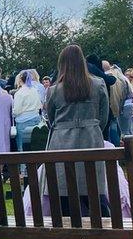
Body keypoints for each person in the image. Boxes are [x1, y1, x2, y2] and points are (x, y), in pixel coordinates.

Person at [44, 45, 109, 216]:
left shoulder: (53, 90)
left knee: (65, 188)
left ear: (62, 64)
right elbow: (104, 116)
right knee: (93, 186)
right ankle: (103, 226)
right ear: (83, 62)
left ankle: (72, 232)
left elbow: (51, 120)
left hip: (62, 142)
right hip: (91, 140)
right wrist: (92, 128)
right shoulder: (98, 84)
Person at [12, 70, 43, 151]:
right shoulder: (35, 90)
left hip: (23, 122)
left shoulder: (19, 93)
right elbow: (40, 105)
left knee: (23, 149)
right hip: (36, 119)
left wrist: (12, 113)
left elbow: (17, 111)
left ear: (20, 80)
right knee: (36, 148)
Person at [105, 63, 131, 145]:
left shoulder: (107, 79)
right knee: (123, 130)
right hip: (120, 107)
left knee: (112, 130)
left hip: (110, 108)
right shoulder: (123, 80)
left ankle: (115, 150)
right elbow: (129, 94)